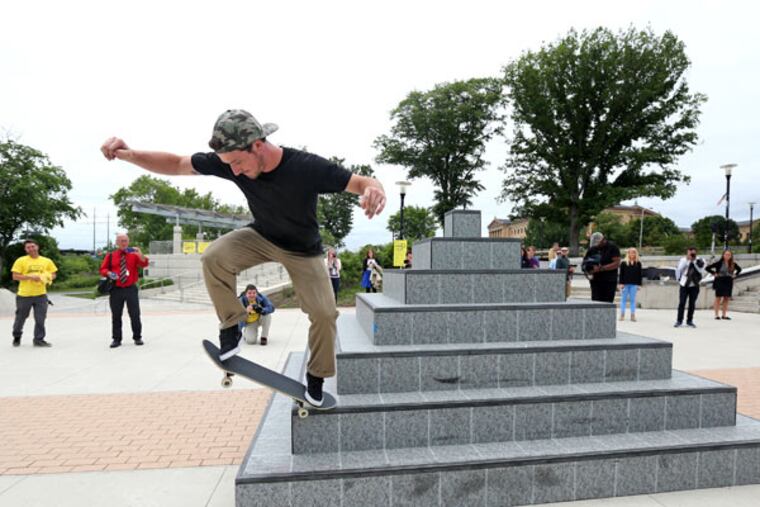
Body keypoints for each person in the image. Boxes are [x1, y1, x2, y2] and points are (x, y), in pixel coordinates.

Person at [101, 109, 385, 407]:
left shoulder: (306, 166)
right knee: (213, 257)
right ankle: (231, 327)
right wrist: (127, 154)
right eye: (228, 165)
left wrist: (372, 190)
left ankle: (316, 377)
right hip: (261, 237)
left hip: (303, 251)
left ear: (258, 146)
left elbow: (361, 181)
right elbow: (177, 163)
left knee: (325, 314)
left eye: (237, 162)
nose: (234, 171)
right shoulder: (230, 161)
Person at [100, 233, 149, 348]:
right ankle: (116, 339)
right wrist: (108, 273)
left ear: (128, 241)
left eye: (126, 240)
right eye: (121, 241)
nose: (124, 243)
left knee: (135, 314)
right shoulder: (111, 255)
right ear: (117, 242)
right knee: (116, 315)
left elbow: (144, 264)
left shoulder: (134, 255)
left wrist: (140, 253)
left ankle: (137, 337)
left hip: (131, 288)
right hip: (116, 289)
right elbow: (103, 269)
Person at [11, 239, 57, 347]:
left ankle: (39, 339)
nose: (31, 249)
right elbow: (15, 276)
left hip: (41, 295)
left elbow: (54, 274)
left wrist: (46, 277)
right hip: (24, 295)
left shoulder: (47, 261)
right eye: (28, 247)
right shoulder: (21, 261)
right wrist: (29, 277)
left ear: (37, 247)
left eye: (33, 246)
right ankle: (17, 336)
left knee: (40, 318)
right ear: (25, 249)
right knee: (20, 318)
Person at [582, 232, 621, 303]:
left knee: (607, 303)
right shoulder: (592, 249)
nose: (596, 246)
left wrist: (602, 268)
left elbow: (617, 263)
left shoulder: (612, 247)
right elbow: (585, 263)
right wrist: (589, 271)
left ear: (603, 240)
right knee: (595, 302)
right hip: (595, 281)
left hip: (609, 281)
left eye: (597, 244)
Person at [674, 246, 707, 328]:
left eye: (693, 252)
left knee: (692, 304)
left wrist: (694, 262)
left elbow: (701, 270)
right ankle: (679, 321)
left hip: (694, 285)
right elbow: (679, 270)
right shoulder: (683, 260)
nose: (692, 254)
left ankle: (689, 321)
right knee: (682, 303)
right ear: (687, 252)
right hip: (684, 284)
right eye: (690, 252)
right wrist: (688, 261)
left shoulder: (701, 260)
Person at [706, 250, 742, 320]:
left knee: (726, 298)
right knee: (718, 297)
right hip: (720, 280)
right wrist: (714, 273)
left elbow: (739, 269)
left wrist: (735, 275)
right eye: (726, 254)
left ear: (731, 256)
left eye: (729, 255)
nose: (727, 256)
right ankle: (716, 315)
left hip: (728, 281)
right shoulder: (719, 263)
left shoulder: (733, 264)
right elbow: (707, 268)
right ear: (723, 255)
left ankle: (724, 315)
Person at [618, 247, 643, 321]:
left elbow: (639, 275)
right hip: (625, 284)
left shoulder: (638, 263)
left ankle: (632, 315)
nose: (632, 254)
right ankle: (622, 315)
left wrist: (639, 284)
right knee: (623, 300)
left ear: (636, 254)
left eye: (634, 252)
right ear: (628, 253)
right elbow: (621, 274)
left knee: (632, 300)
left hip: (634, 284)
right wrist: (621, 283)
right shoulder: (623, 263)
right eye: (630, 252)